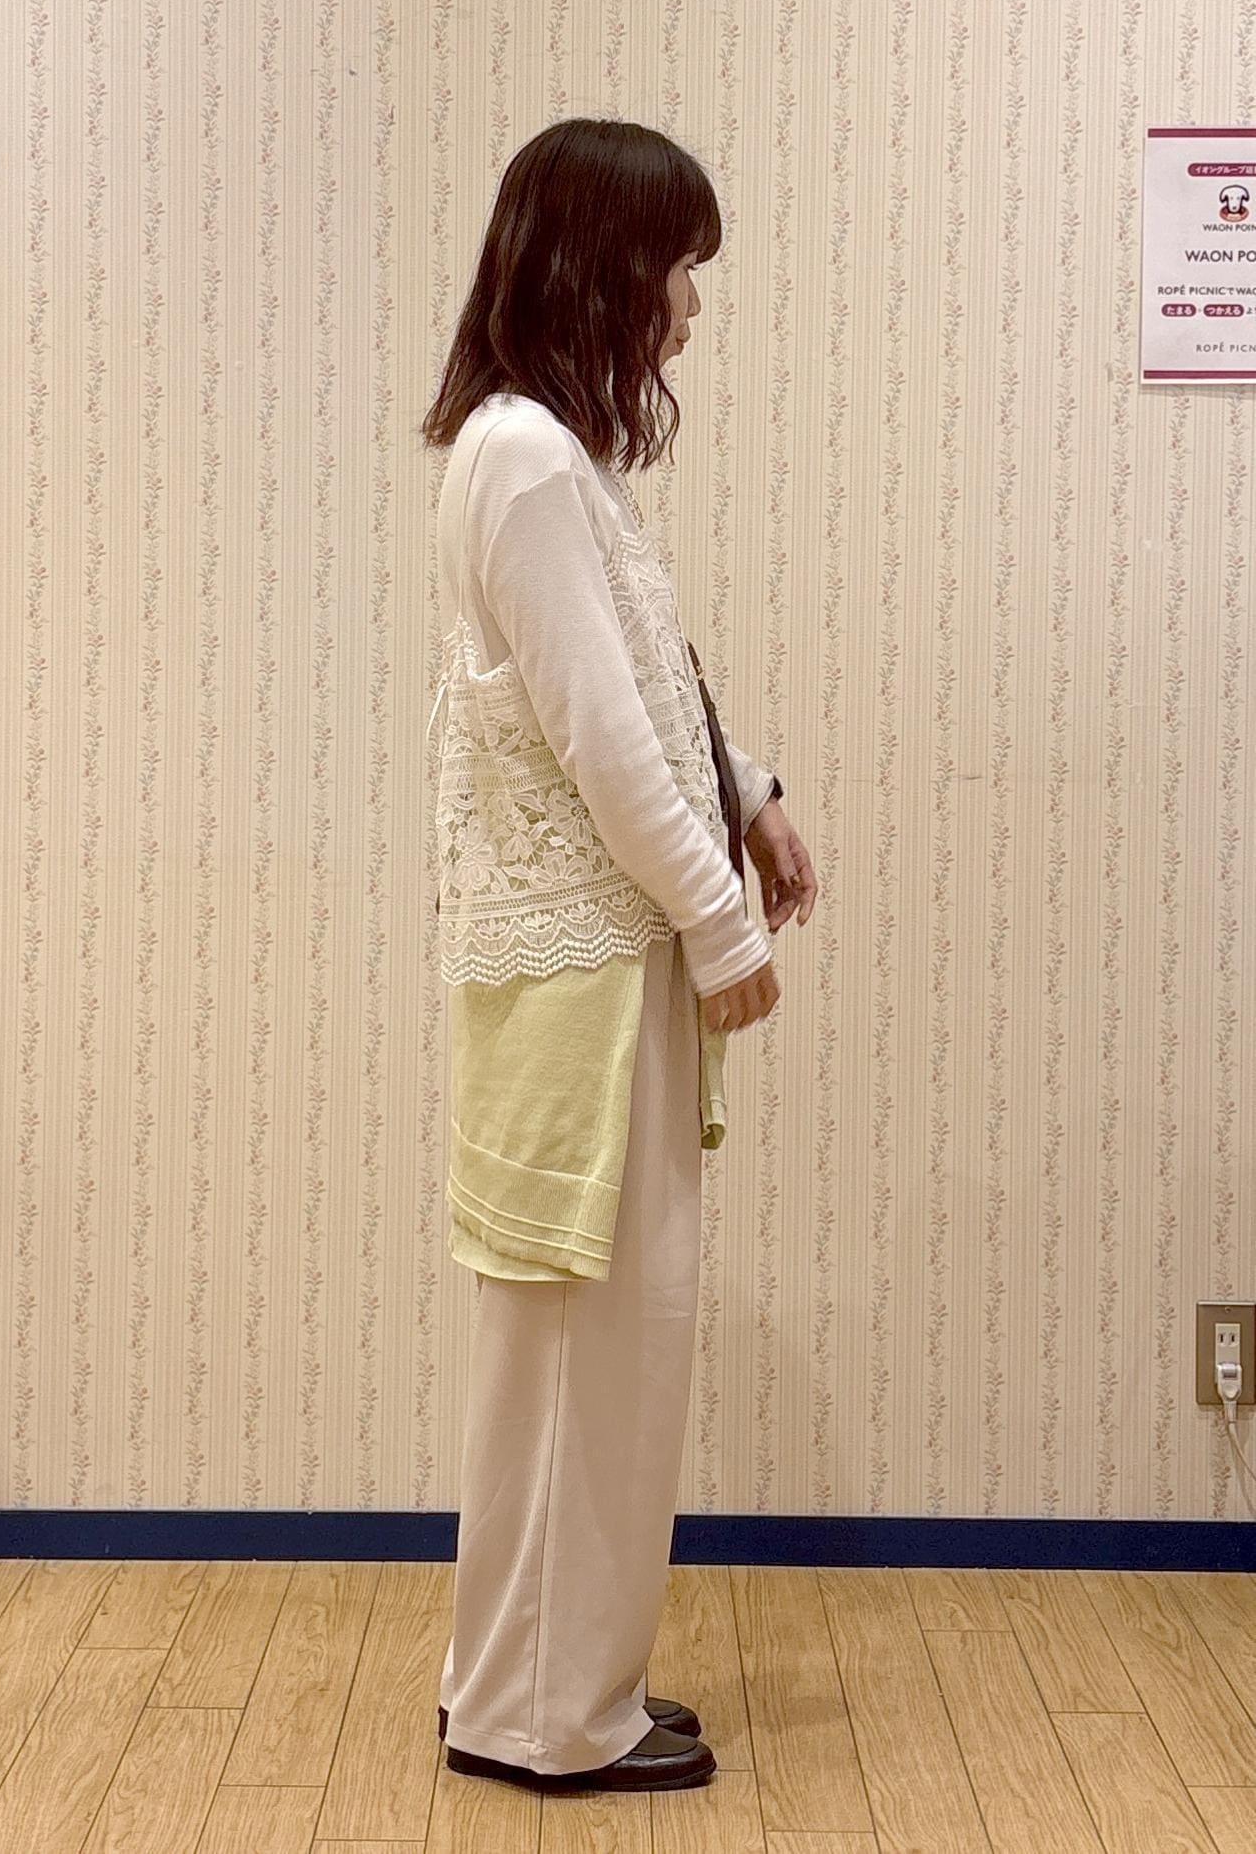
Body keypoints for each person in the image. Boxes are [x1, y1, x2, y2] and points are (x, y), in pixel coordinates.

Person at [419, 117, 818, 1796]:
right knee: (594, 1347)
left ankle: (534, 1686)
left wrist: (752, 794)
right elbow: (597, 733)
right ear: (600, 266)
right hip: (587, 971)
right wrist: (721, 926)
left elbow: (646, 681)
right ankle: (549, 1718)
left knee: (590, 1348)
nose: (687, 307)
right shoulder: (524, 459)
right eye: (675, 269)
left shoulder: (555, 461)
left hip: (590, 961)